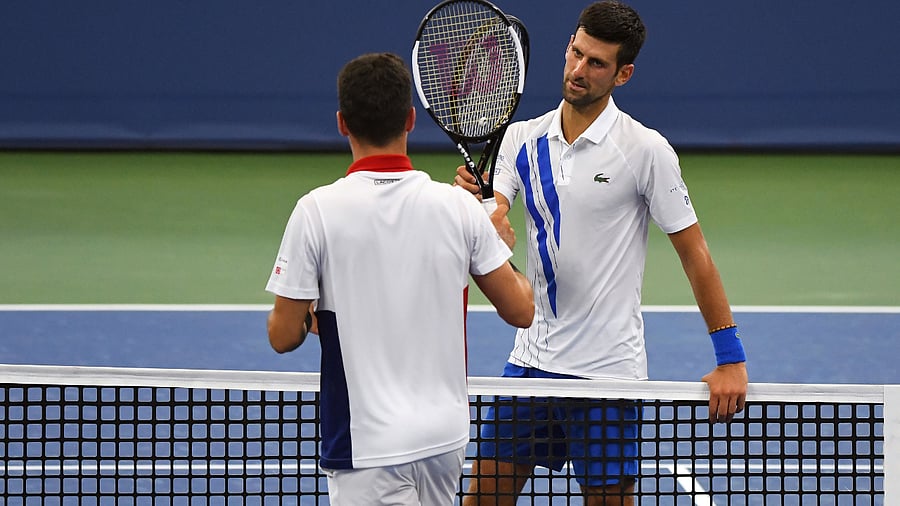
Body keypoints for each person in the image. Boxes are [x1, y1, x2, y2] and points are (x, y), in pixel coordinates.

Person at [454, 2, 749, 505]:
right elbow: (493, 217)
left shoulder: (645, 150)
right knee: (481, 499)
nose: (577, 70)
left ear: (623, 73)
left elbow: (694, 252)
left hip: (607, 374)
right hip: (531, 363)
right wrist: (475, 208)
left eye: (596, 63)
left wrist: (730, 358)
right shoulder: (521, 141)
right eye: (575, 52)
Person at [264, 52, 534, 506]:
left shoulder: (316, 211)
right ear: (410, 119)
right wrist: (499, 246)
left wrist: (317, 316)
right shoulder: (458, 207)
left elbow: (282, 335)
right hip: (444, 439)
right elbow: (522, 309)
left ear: (341, 123)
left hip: (367, 444)